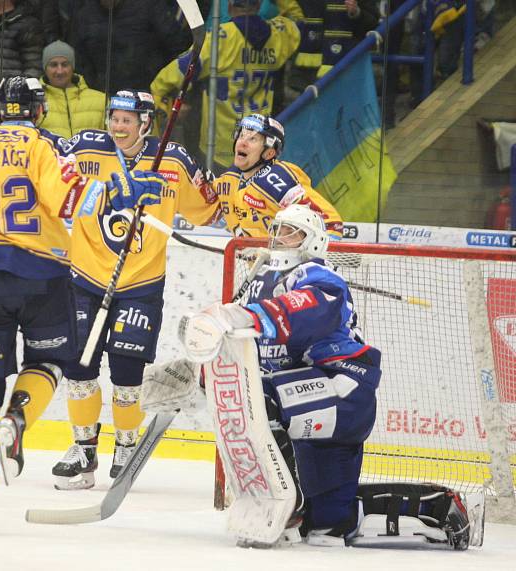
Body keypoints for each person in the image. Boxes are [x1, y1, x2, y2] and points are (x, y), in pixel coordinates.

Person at [0, 76, 166, 531]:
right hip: (42, 278)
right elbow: (73, 199)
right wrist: (118, 192)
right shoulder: (43, 146)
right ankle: (18, 418)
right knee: (52, 362)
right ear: (38, 110)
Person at [179, 205, 476, 549]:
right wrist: (205, 368)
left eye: (292, 231)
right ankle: (439, 509)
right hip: (312, 397)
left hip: (344, 387)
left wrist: (247, 315)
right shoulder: (265, 282)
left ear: (314, 241)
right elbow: (251, 354)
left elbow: (308, 311)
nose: (280, 238)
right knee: (329, 525)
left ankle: (288, 508)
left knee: (259, 397)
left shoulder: (318, 274)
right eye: (278, 229)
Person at [51, 89, 221, 490]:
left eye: (127, 120)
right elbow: (51, 175)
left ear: (145, 123)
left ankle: (125, 447)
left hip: (140, 284)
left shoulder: (173, 160)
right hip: (85, 278)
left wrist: (215, 182)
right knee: (79, 366)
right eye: (113, 117)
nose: (117, 126)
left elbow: (208, 208)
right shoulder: (87, 149)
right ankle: (83, 448)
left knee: (127, 371)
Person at [151, 0, 300, 171]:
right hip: (259, 142)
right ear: (259, 5)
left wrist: (163, 107)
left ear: (229, 6)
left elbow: (168, 78)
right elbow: (297, 19)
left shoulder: (219, 38)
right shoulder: (278, 33)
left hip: (217, 148)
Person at [216, 113, 343, 239]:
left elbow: (331, 225)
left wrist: (306, 257)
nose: (242, 142)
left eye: (252, 139)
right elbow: (212, 210)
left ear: (269, 153)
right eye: (241, 135)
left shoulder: (273, 178)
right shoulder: (236, 178)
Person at [37, 40, 106, 139]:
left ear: (72, 67)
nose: (59, 71)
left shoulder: (101, 100)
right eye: (53, 65)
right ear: (45, 68)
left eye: (65, 64)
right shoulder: (34, 101)